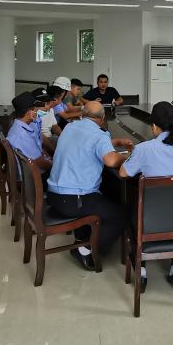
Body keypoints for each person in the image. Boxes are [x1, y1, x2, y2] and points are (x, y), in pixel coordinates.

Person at [120, 102, 173, 290]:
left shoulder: (144, 149)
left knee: (131, 211)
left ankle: (141, 272)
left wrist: (131, 156)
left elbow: (123, 173)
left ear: (154, 126)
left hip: (150, 222)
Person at [46, 101, 133, 270]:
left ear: (82, 114)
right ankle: (86, 250)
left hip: (54, 195)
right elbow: (111, 161)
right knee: (120, 216)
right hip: (74, 200)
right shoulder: (99, 135)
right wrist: (128, 156)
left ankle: (83, 237)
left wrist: (114, 142)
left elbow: (85, 142)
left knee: (107, 190)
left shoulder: (70, 127)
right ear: (103, 118)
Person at [6, 92, 52, 172]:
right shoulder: (22, 135)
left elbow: (39, 151)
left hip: (33, 170)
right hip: (34, 175)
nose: (37, 112)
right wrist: (56, 166)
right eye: (36, 110)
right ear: (29, 113)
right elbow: (40, 162)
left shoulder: (20, 127)